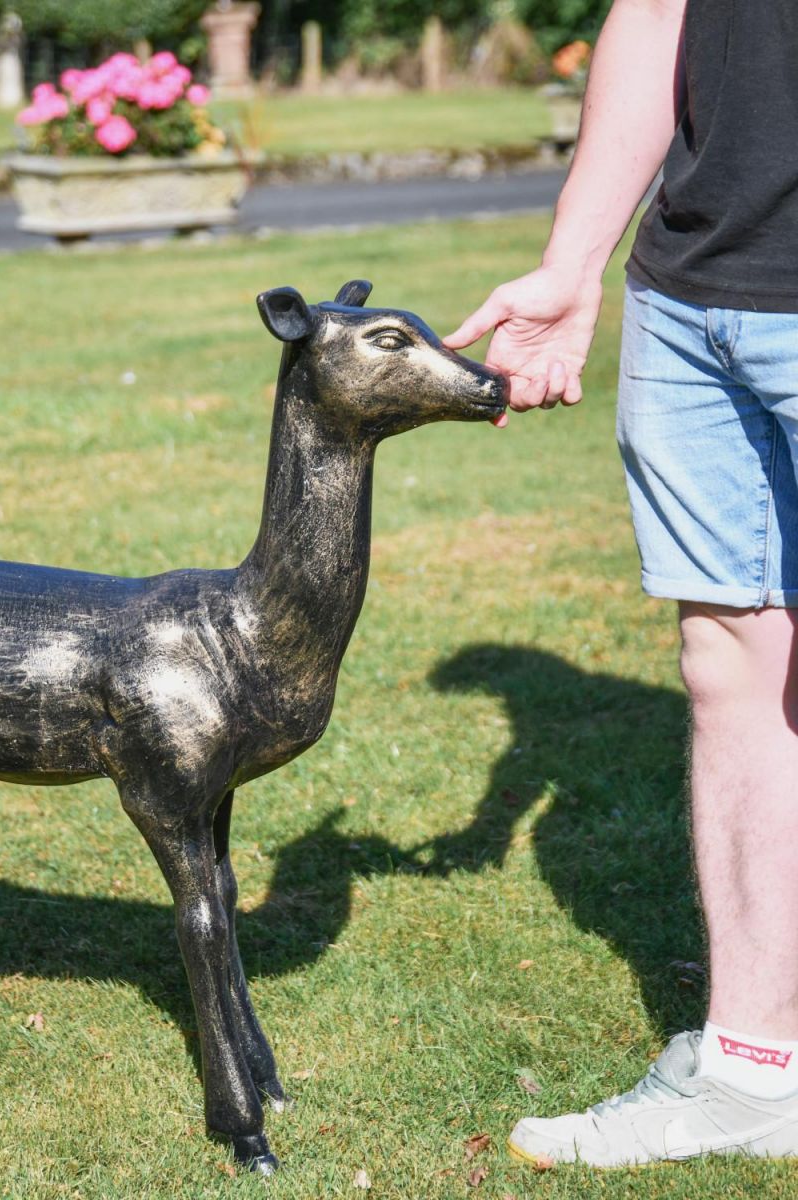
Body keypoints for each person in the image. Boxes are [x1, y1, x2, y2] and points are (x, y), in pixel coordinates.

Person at [444, 0, 798, 1167]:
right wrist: (574, 260)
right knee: (730, 665)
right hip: (699, 292)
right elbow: (655, 10)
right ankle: (757, 1071)